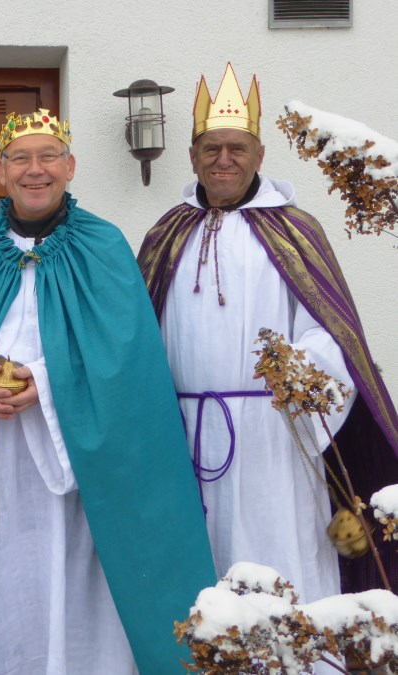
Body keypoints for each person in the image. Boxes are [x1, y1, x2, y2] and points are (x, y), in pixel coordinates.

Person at [0, 109, 216, 674]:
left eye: (48, 157)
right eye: (21, 160)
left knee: (72, 581)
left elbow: (127, 360)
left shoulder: (103, 245)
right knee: (3, 578)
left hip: (80, 463)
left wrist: (49, 381)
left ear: (70, 166)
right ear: (1, 172)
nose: (36, 171)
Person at [138, 62, 398, 625]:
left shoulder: (295, 229)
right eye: (210, 148)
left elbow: (329, 330)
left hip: (276, 438)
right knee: (196, 573)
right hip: (183, 435)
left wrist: (304, 382)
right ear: (191, 156)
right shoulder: (166, 233)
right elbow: (140, 333)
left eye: (236, 147)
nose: (223, 159)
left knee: (281, 558)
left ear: (259, 156)